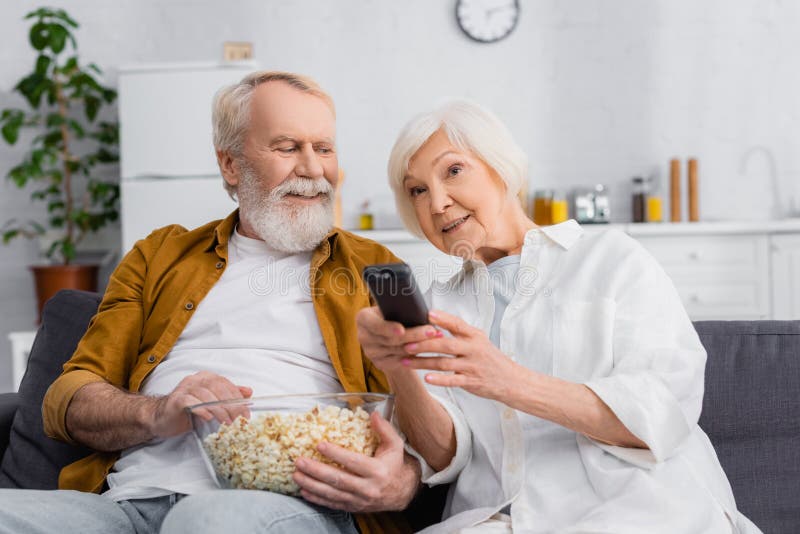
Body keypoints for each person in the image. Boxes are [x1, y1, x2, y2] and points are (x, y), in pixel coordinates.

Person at [0, 71, 422, 534]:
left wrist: (405, 481)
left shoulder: (377, 268)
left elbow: (428, 411)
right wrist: (157, 413)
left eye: (323, 149)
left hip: (286, 505)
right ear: (230, 165)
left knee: (204, 521)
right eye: (287, 147)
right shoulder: (158, 256)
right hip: (125, 506)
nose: (312, 169)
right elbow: (68, 398)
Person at [356, 99, 763, 534]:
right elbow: (444, 456)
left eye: (453, 171)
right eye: (417, 190)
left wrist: (511, 382)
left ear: (501, 168)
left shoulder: (611, 259)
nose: (436, 203)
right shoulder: (441, 306)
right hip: (500, 520)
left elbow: (663, 411)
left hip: (639, 506)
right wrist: (398, 366)